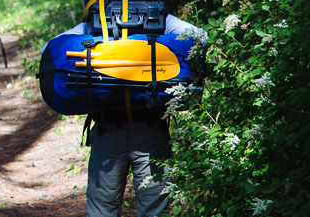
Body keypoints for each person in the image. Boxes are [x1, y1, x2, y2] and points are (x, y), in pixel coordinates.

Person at [62, 15, 205, 217]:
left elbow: (50, 49)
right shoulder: (160, 18)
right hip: (151, 129)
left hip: (107, 128)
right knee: (154, 210)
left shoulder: (95, 20)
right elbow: (201, 37)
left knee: (101, 211)